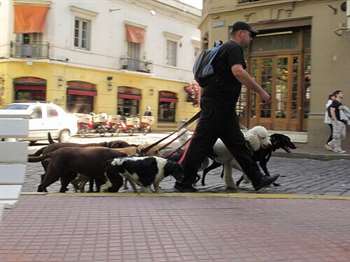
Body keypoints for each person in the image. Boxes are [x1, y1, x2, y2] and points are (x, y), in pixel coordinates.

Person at [175, 21, 279, 192]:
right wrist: (261, 92)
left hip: (221, 107)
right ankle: (183, 181)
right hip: (219, 107)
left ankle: (257, 179)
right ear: (241, 33)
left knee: (237, 144)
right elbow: (238, 71)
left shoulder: (224, 49)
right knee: (200, 144)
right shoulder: (233, 48)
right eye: (250, 34)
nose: (251, 38)